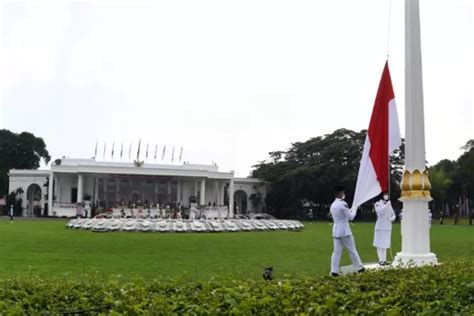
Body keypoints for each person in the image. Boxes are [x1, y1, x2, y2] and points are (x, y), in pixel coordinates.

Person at [330, 186, 365, 276]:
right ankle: (359, 267)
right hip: (344, 230)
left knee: (336, 251)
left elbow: (344, 214)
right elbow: (351, 217)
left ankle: (334, 270)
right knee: (352, 249)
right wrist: (355, 208)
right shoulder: (343, 204)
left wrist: (351, 209)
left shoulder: (333, 204)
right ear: (341, 193)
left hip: (336, 229)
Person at [373, 192, 396, 266]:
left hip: (387, 227)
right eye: (385, 194)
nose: (386, 196)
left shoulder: (389, 204)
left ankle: (384, 260)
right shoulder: (378, 203)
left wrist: (392, 218)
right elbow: (379, 212)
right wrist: (386, 206)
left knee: (385, 244)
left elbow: (393, 214)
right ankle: (380, 260)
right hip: (380, 227)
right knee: (379, 244)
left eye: (387, 195)